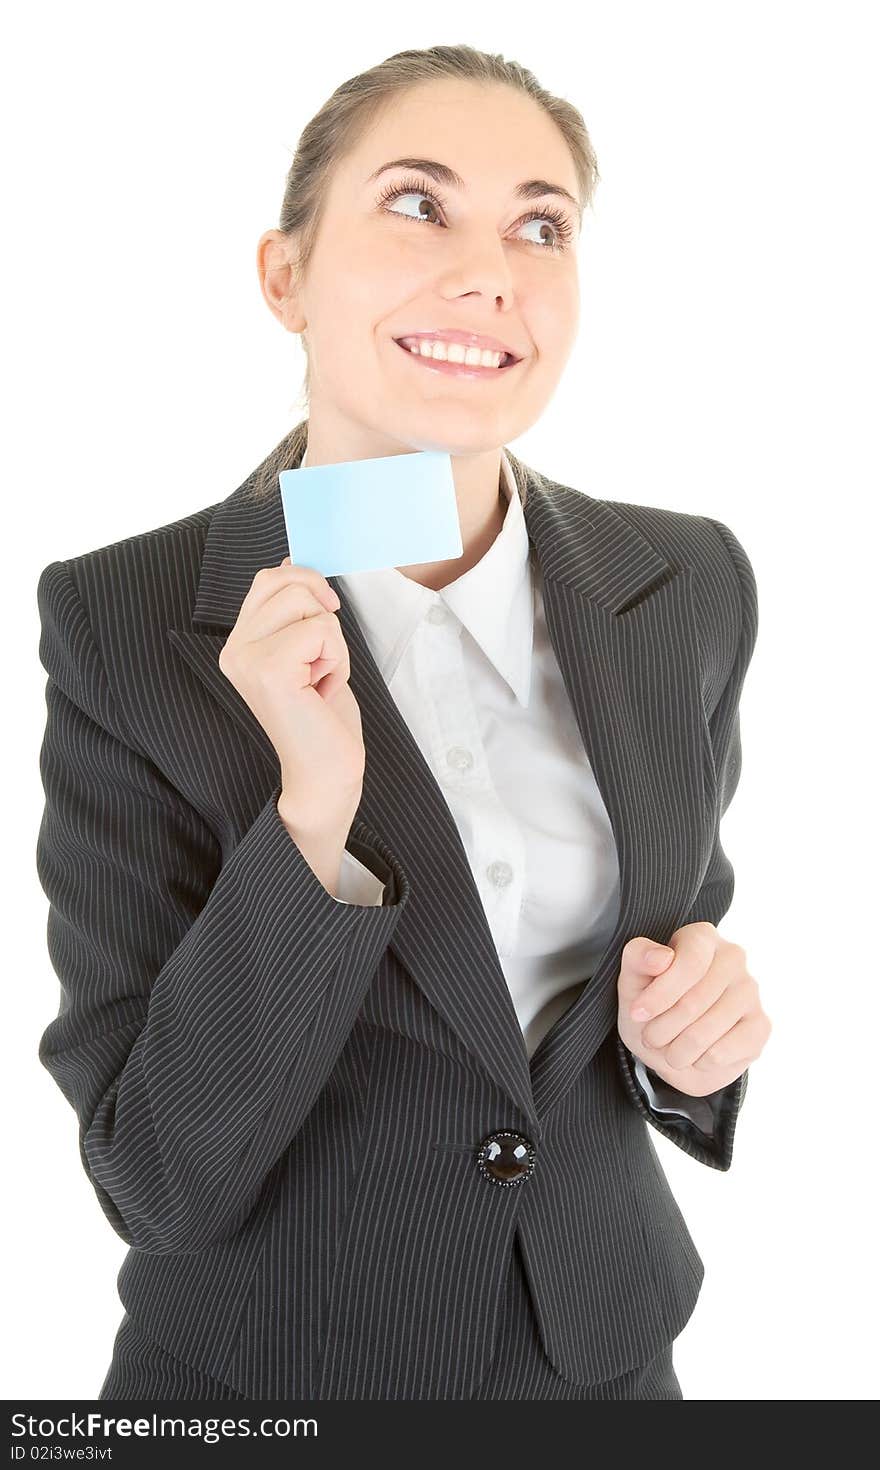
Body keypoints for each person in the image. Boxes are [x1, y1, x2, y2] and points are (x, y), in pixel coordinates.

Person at [35, 43, 771, 1402]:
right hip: (278, 1380)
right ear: (285, 277)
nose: (490, 270)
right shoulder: (123, 625)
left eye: (538, 224)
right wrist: (311, 820)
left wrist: (691, 1048)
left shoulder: (686, 586)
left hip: (609, 1360)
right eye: (419, 203)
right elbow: (154, 1169)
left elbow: (675, 943)